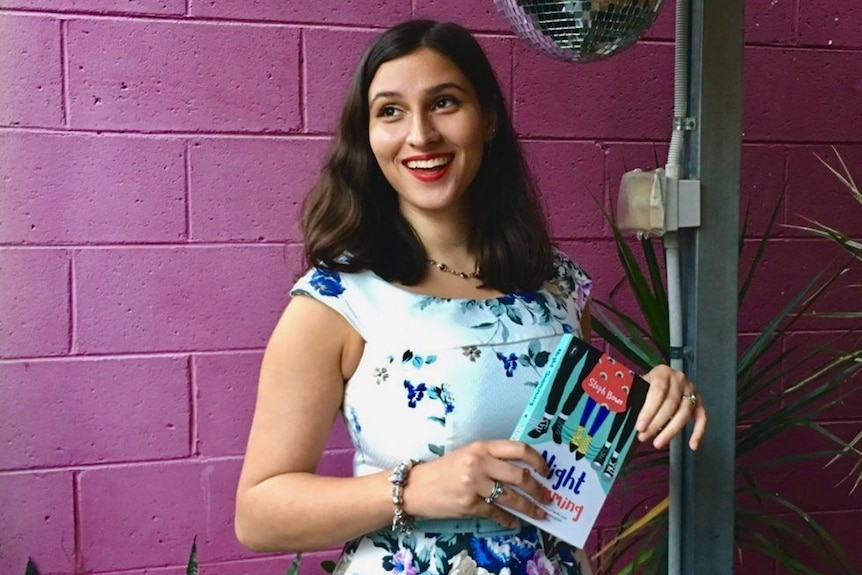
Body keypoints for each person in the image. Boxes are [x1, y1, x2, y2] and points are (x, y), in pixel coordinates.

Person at [234, 19, 707, 575]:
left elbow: (571, 445)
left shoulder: (553, 284)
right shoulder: (336, 300)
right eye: (390, 111)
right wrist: (413, 488)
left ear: (488, 119)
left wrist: (649, 396)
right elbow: (258, 515)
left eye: (444, 103)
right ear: (367, 135)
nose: (420, 135)